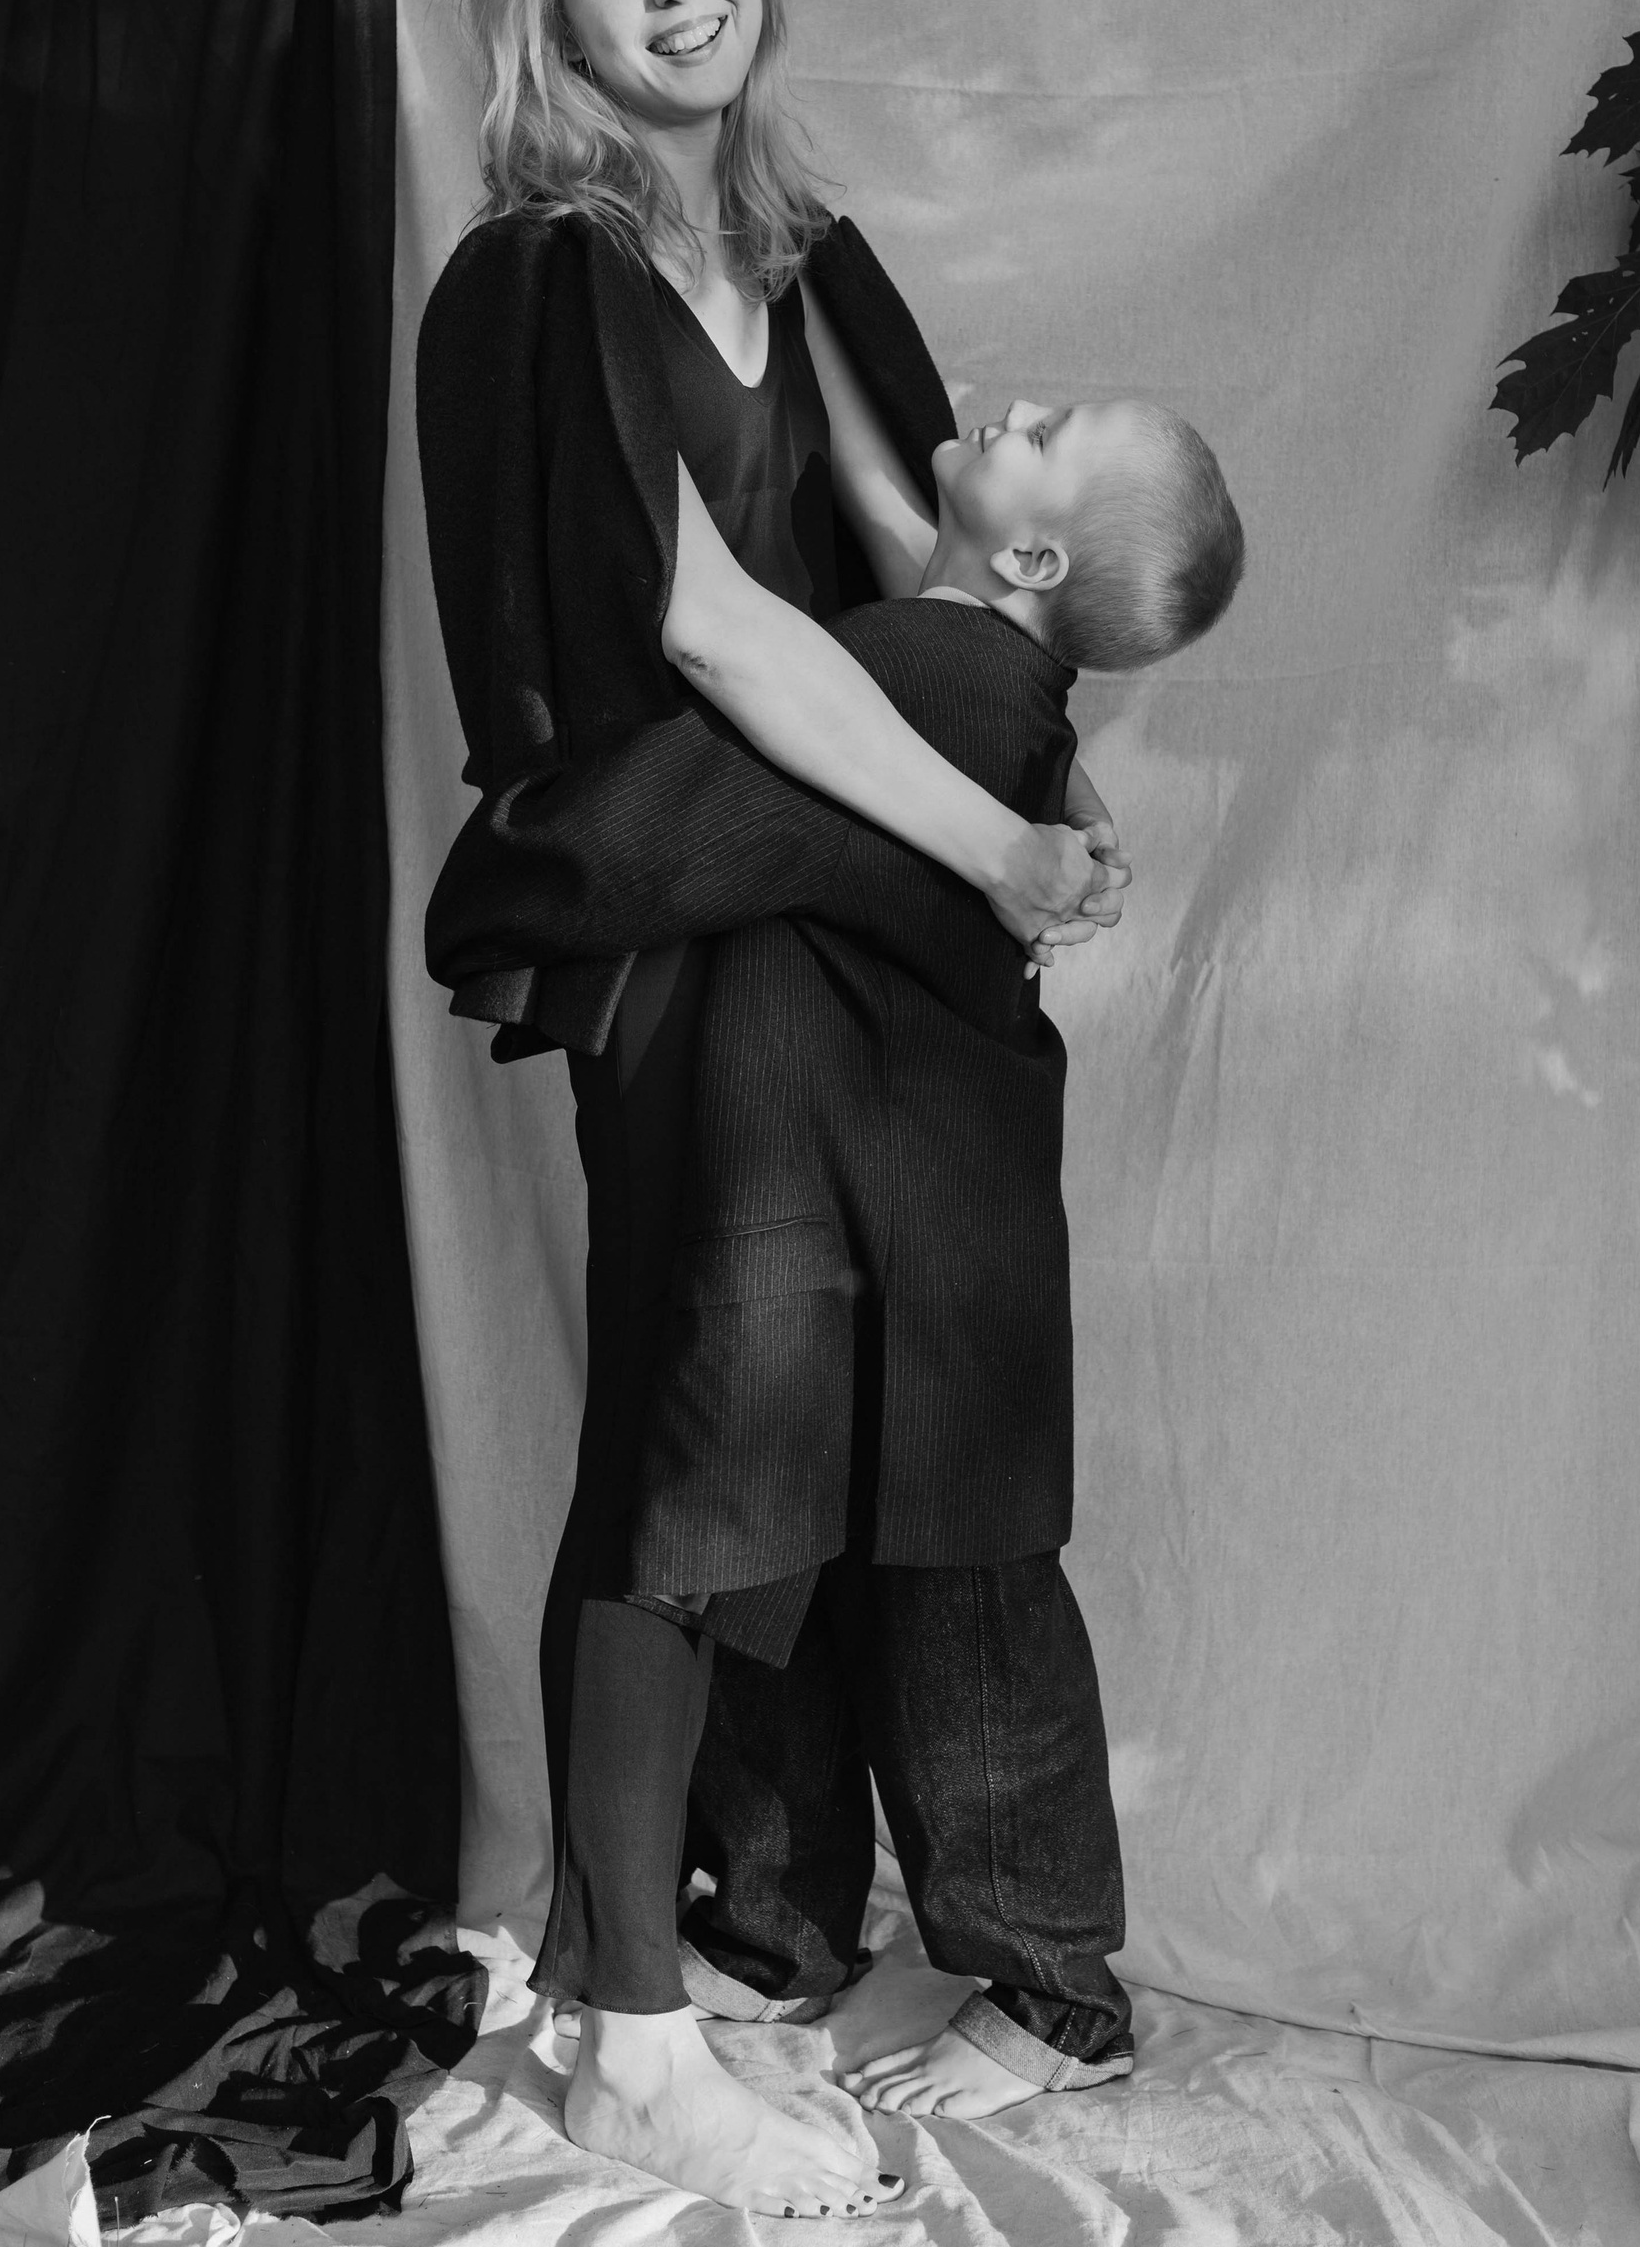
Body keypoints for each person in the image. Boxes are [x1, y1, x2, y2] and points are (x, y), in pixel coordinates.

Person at [416, 0, 1127, 2217]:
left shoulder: (805, 255)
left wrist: (1046, 778)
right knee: (700, 1452)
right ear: (551, 28)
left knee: (879, 1409)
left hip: (837, 892)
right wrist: (993, 846)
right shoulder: (540, 277)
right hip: (680, 893)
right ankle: (632, 2009)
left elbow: (935, 579)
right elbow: (714, 632)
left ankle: (826, 1935)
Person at [625, 391, 1244, 2121]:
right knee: (784, 1562)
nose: (1008, 401)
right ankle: (775, 1926)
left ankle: (1050, 1984)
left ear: (1030, 555)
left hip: (926, 1228)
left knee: (958, 1601)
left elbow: (720, 752)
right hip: (858, 1188)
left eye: (1048, 427)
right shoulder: (970, 682)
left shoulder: (925, 674)